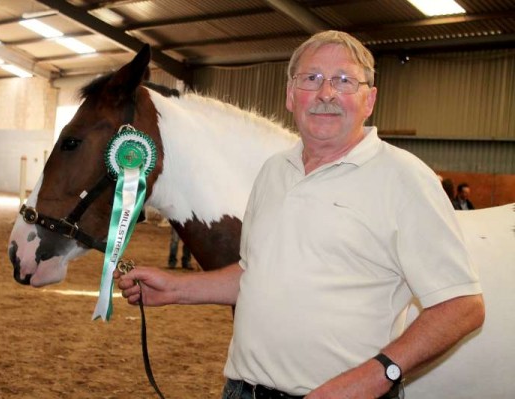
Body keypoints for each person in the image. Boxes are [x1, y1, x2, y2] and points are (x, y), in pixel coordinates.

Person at [117, 31, 485, 399]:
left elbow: (462, 306)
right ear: (291, 96)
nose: (326, 93)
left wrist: (377, 376)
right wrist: (177, 289)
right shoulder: (273, 171)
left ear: (369, 99)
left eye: (344, 80)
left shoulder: (405, 178)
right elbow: (255, 274)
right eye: (311, 79)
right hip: (243, 390)